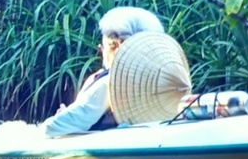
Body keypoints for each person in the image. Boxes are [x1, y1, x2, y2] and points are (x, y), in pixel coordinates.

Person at [41, 7, 164, 137]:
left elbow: (51, 128)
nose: (100, 50)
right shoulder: (162, 79)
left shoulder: (111, 82)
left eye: (103, 46)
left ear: (116, 46)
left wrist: (62, 118)